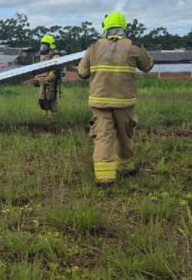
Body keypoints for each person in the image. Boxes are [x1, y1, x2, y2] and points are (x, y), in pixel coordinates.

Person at [77, 11, 154, 185]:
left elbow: (82, 73)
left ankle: (104, 177)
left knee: (103, 136)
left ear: (105, 28)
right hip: (124, 101)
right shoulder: (133, 46)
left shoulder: (94, 47)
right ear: (123, 27)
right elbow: (148, 66)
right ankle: (126, 167)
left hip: (100, 101)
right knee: (125, 133)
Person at [33, 35, 62, 115]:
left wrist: (48, 79)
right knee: (42, 99)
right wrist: (36, 79)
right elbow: (39, 69)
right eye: (42, 45)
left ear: (50, 45)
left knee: (51, 98)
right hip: (43, 81)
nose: (43, 47)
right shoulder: (42, 56)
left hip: (51, 81)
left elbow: (56, 69)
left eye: (45, 45)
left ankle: (53, 116)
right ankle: (44, 116)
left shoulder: (55, 55)